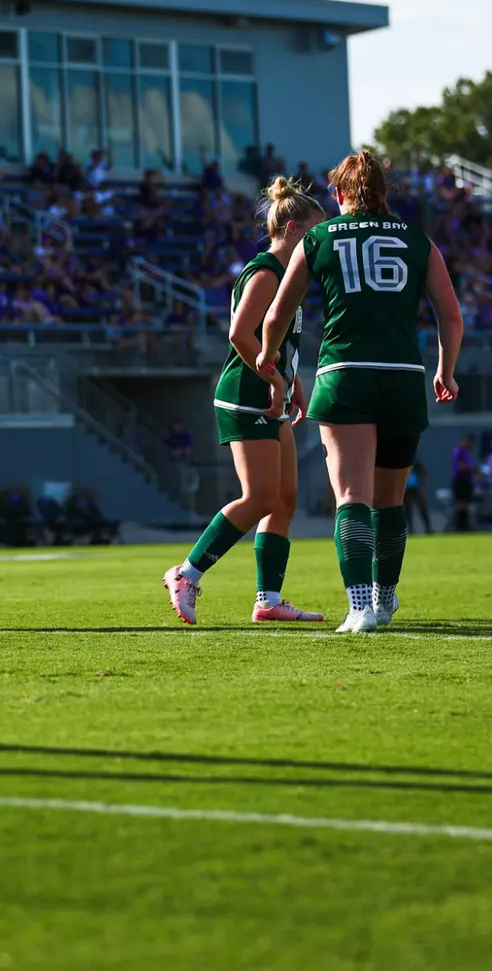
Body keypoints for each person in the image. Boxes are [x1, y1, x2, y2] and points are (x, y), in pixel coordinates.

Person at [258, 151, 463, 633]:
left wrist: (272, 365)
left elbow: (276, 316)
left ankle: (359, 607)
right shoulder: (418, 240)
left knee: (351, 496)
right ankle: (385, 598)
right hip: (403, 377)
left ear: (338, 194)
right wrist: (446, 371)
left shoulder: (317, 238)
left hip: (346, 373)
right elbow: (450, 315)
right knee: (390, 501)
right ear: (383, 192)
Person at [163, 177, 326, 626]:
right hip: (246, 397)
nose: (318, 245)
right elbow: (240, 334)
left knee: (285, 498)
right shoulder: (266, 271)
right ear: (292, 229)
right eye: (314, 234)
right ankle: (187, 572)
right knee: (259, 497)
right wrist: (275, 381)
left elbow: (279, 339)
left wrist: (292, 382)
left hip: (272, 393)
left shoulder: (291, 276)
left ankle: (268, 599)